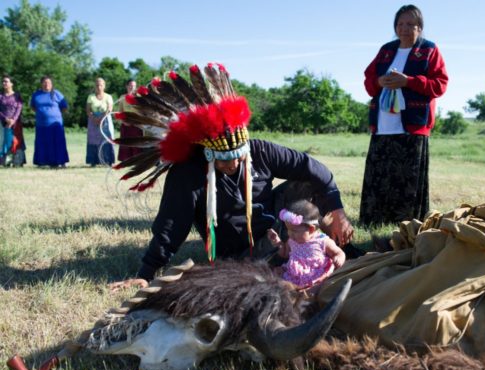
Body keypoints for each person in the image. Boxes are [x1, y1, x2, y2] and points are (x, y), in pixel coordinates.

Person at [108, 63, 354, 290]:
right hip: (241, 254)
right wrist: (146, 272)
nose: (232, 164)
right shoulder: (189, 171)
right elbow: (170, 227)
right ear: (206, 151)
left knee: (305, 184)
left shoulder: (260, 151)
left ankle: (333, 247)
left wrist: (338, 213)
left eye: (238, 156)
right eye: (223, 158)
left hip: (277, 230)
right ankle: (293, 256)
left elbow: (313, 168)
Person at [359, 4, 448, 226]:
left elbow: (440, 85)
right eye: (400, 24)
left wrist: (408, 81)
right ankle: (375, 220)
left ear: (420, 27)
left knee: (406, 178)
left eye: (410, 24)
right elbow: (369, 80)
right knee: (379, 175)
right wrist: (380, 81)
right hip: (383, 124)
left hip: (412, 125)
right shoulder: (387, 50)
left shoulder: (429, 50)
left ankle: (407, 224)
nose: (404, 28)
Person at [267, 199, 346, 292]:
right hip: (294, 276)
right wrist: (277, 242)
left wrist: (339, 257)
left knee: (320, 288)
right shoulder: (292, 240)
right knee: (275, 278)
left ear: (311, 229)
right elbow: (284, 253)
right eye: (288, 229)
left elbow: (338, 252)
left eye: (294, 231)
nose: (290, 234)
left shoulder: (322, 241)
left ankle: (307, 293)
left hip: (315, 277)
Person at [30, 76, 69, 167]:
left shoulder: (57, 94)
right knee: (42, 143)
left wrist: (53, 114)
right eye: (45, 82)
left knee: (58, 143)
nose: (47, 84)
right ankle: (42, 162)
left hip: (55, 124)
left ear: (51, 84)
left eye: (49, 82)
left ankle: (61, 162)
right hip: (41, 124)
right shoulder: (36, 95)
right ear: (41, 84)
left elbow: (64, 107)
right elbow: (33, 107)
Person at [86, 77, 115, 166]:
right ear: (95, 86)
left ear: (104, 86)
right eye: (97, 85)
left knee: (106, 139)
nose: (99, 87)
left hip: (105, 120)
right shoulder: (90, 97)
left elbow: (110, 108)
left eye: (101, 85)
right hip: (93, 120)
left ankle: (108, 160)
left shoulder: (108, 96)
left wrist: (101, 118)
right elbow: (87, 110)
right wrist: (93, 118)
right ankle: (93, 161)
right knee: (93, 140)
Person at [0, 75, 24, 166]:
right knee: (4, 141)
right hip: (3, 123)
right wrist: (5, 119)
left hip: (16, 123)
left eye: (6, 81)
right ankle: (5, 161)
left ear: (11, 83)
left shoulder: (17, 95)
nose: (4, 83)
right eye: (3, 81)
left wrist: (13, 120)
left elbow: (19, 108)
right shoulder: (1, 96)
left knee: (16, 142)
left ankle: (17, 162)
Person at [117, 79, 144, 161]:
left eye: (134, 86)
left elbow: (142, 111)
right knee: (126, 142)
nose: (132, 87)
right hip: (126, 123)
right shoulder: (122, 97)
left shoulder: (139, 97)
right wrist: (124, 121)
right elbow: (120, 111)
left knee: (137, 142)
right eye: (130, 86)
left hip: (137, 123)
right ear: (127, 86)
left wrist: (137, 121)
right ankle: (126, 159)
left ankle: (137, 159)